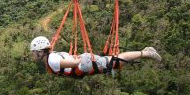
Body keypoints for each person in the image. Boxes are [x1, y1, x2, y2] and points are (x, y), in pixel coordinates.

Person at [30, 36, 162, 76]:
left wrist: (77, 59)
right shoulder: (52, 55)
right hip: (85, 63)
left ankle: (147, 52)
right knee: (115, 61)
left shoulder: (52, 60)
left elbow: (74, 64)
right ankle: (145, 52)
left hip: (85, 64)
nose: (33, 55)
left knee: (116, 61)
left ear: (40, 51)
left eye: (34, 52)